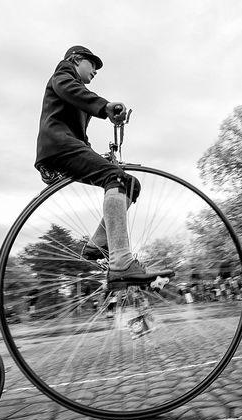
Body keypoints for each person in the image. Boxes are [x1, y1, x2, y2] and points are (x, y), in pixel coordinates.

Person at [35, 46, 172, 286]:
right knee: (116, 179)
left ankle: (96, 245)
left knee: (130, 184)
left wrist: (99, 157)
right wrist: (104, 107)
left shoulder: (75, 92)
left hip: (67, 146)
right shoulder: (62, 75)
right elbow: (73, 91)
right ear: (75, 60)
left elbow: (78, 136)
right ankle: (121, 262)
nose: (96, 70)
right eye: (92, 63)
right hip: (58, 146)